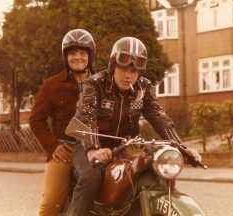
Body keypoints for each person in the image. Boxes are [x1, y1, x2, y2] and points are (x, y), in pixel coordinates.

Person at [65, 36, 202, 216]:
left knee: (149, 174)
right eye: (124, 68)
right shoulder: (95, 83)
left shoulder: (143, 88)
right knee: (91, 177)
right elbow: (86, 114)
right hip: (88, 147)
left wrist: (182, 147)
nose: (129, 75)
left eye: (135, 70)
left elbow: (159, 116)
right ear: (114, 64)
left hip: (125, 147)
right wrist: (93, 149)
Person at [29, 29, 96, 216]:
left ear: (90, 55)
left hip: (96, 149)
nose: (78, 57)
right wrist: (53, 146)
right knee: (50, 205)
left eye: (82, 53)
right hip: (65, 151)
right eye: (72, 53)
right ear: (65, 56)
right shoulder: (52, 84)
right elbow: (36, 120)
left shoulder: (101, 82)